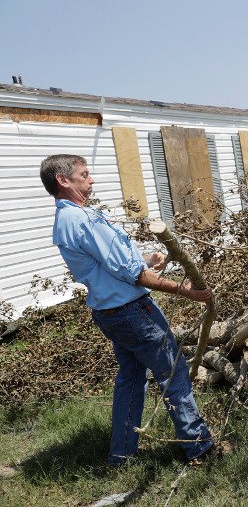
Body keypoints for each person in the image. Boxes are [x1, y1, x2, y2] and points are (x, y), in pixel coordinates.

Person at [40, 154, 215, 466]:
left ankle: (121, 455)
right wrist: (187, 291)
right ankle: (199, 447)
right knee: (172, 373)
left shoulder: (66, 219)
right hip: (133, 312)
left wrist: (145, 260)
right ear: (63, 181)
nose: (91, 179)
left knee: (131, 378)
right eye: (84, 174)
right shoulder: (83, 219)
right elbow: (131, 275)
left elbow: (110, 265)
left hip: (110, 314)